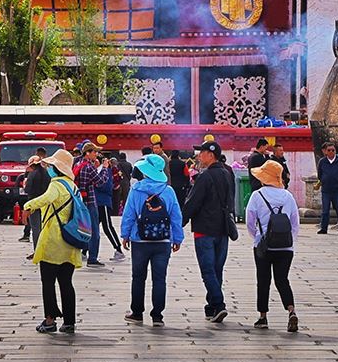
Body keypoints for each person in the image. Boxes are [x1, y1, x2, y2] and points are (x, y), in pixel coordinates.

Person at [23, 148, 83, 334]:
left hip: (54, 241)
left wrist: (28, 206)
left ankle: (49, 320)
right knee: (66, 282)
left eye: (51, 166)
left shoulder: (56, 184)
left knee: (48, 281)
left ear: (57, 168)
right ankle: (69, 322)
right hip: (71, 240)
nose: (48, 168)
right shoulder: (73, 186)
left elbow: (46, 199)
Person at [121, 152, 184, 326]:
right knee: (159, 278)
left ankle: (137, 312)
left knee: (138, 277)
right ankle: (157, 316)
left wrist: (125, 235)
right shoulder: (168, 191)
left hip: (139, 241)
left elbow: (129, 215)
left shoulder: (136, 189)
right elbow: (176, 216)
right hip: (163, 241)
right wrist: (177, 238)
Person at [179, 140, 235, 323]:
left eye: (201, 153)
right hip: (223, 229)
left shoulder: (205, 177)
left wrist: (180, 222)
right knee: (217, 269)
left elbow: (192, 203)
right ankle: (211, 307)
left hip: (205, 230)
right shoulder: (228, 174)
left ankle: (219, 304)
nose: (198, 156)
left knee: (208, 270)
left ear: (211, 154)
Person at [244, 159, 300, 331]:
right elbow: (295, 223)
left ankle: (263, 317)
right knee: (282, 279)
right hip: (285, 247)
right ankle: (291, 310)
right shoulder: (288, 197)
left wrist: (258, 237)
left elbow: (250, 221)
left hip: (264, 246)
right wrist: (289, 240)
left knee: (263, 280)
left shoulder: (257, 195)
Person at [76, 145, 121, 263]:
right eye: (94, 152)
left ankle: (82, 253)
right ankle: (92, 258)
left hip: (81, 200)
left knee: (84, 229)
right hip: (90, 201)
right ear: (87, 153)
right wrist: (105, 168)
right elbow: (100, 181)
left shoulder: (79, 164)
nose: (96, 154)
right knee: (94, 231)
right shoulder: (88, 167)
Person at [314, 143, 338, 234]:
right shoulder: (322, 161)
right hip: (326, 189)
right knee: (325, 210)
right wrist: (323, 181)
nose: (331, 152)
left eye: (333, 150)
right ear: (325, 152)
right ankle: (324, 228)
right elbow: (320, 174)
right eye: (329, 150)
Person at [20, 155, 50, 246]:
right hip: (45, 203)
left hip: (33, 203)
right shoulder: (47, 173)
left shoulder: (32, 174)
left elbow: (27, 189)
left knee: (36, 228)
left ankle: (37, 250)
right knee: (45, 227)